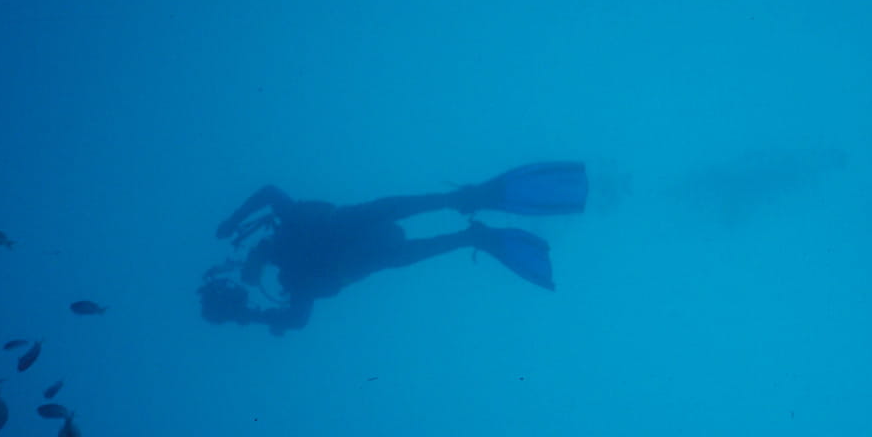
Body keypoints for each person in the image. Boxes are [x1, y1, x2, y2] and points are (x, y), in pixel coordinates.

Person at [201, 161, 588, 334]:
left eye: (253, 256)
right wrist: (252, 316)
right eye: (255, 262)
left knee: (389, 230)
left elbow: (270, 192)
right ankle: (467, 221)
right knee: (392, 240)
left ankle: (465, 215)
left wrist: (234, 221)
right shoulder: (294, 276)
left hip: (362, 235)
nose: (256, 257)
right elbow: (297, 319)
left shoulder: (290, 237)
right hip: (367, 245)